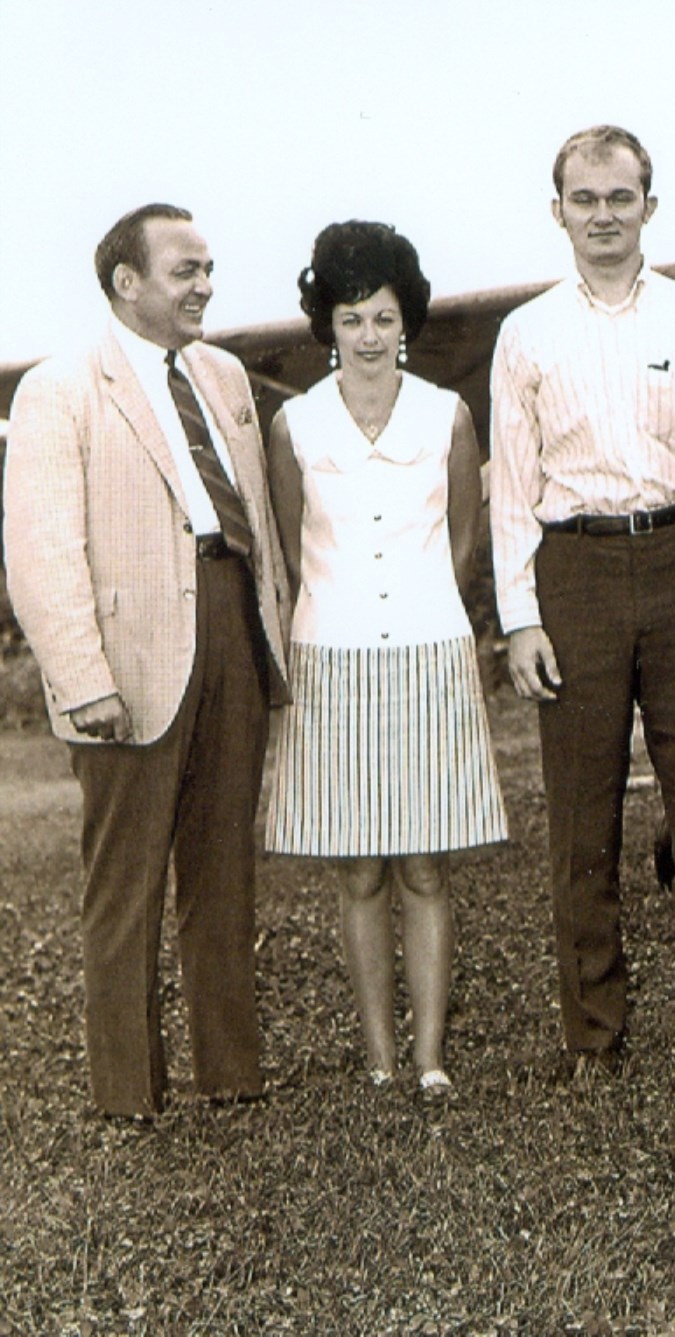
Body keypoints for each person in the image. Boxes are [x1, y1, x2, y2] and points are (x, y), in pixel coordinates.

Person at [4, 204, 292, 1118]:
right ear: (127, 282)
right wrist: (83, 677)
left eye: (208, 269)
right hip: (127, 654)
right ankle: (128, 1090)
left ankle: (231, 1072)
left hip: (230, 624)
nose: (204, 286)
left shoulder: (224, 375)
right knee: (124, 882)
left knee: (223, 866)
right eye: (184, 271)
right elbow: (41, 551)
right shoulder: (58, 390)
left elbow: (259, 523)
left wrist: (270, 641)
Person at [491, 126, 675, 1080]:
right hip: (576, 571)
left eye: (620, 197)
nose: (603, 215)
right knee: (582, 819)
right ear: (557, 209)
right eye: (585, 198)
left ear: (650, 204)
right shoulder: (525, 334)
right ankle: (593, 1036)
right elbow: (510, 487)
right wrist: (520, 616)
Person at [265, 222, 508, 1096]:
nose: (368, 335)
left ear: (407, 321)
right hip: (331, 657)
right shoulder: (295, 424)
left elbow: (464, 544)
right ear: (326, 324)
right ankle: (378, 1058)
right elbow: (292, 550)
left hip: (426, 651)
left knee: (425, 865)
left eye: (383, 317)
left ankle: (431, 1057)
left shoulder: (448, 415)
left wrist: (414, 608)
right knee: (359, 868)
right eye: (351, 317)